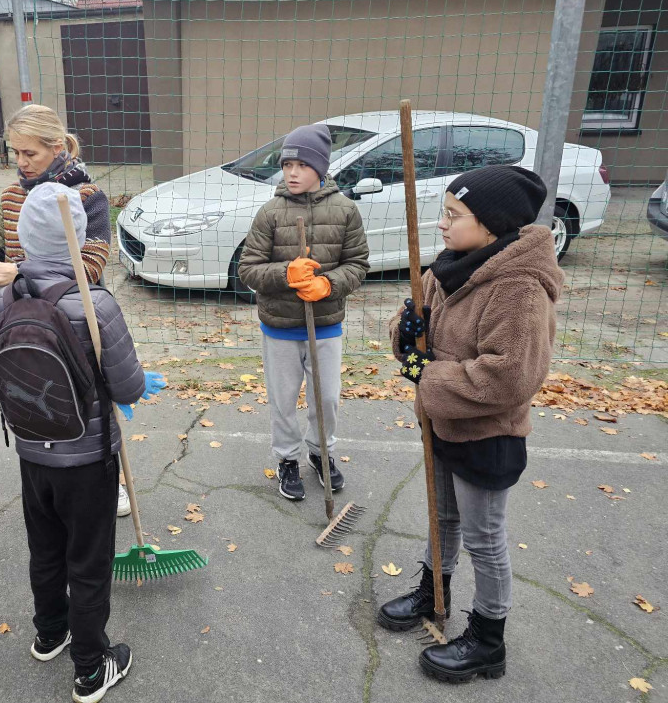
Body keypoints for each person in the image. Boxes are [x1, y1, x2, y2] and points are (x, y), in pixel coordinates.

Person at [378, 165, 563, 683]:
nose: (441, 224)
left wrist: (426, 373)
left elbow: (508, 377)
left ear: (491, 226)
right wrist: (407, 330)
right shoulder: (449, 268)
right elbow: (406, 321)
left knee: (484, 537)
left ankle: (488, 638)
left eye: (453, 215)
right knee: (442, 517)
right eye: (442, 212)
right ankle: (432, 593)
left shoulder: (518, 289)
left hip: (488, 435)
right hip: (440, 424)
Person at [0, 183, 164, 703]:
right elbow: (128, 385)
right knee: (87, 560)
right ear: (79, 237)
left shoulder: (6, 297)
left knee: (45, 549)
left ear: (22, 238)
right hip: (87, 457)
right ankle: (90, 667)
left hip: (29, 451)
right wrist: (132, 387)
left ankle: (50, 632)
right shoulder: (93, 302)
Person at [0, 105, 133, 517]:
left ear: (58, 147)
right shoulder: (11, 196)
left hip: (76, 318)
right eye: (16, 153)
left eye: (30, 153)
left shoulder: (87, 198)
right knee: (35, 392)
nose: (22, 163)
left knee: (91, 401)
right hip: (24, 317)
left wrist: (21, 269)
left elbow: (91, 266)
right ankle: (46, 476)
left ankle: (108, 477)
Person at [238, 123, 369, 502]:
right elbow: (248, 269)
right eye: (287, 164)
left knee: (325, 398)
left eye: (301, 164)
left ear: (321, 167)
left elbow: (358, 264)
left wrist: (327, 285)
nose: (292, 172)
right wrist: (285, 273)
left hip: (325, 325)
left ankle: (320, 452)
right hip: (280, 326)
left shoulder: (345, 211)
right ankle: (287, 459)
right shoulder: (270, 213)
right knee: (283, 399)